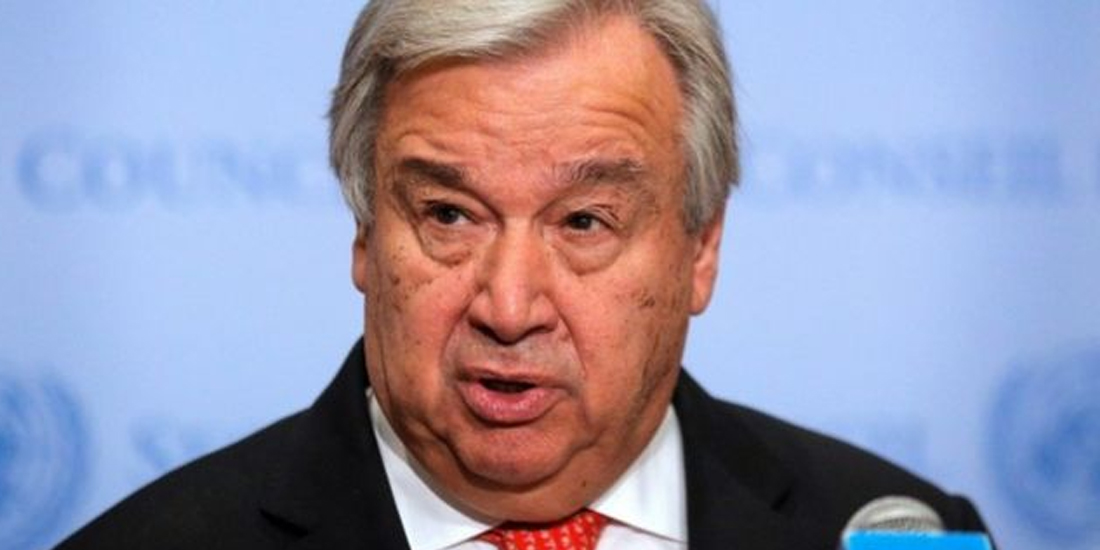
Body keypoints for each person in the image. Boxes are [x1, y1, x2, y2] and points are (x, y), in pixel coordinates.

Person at [56, 1, 992, 549]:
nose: (508, 308)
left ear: (701, 249)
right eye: (449, 215)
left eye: (584, 222)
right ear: (365, 235)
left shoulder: (884, 530)